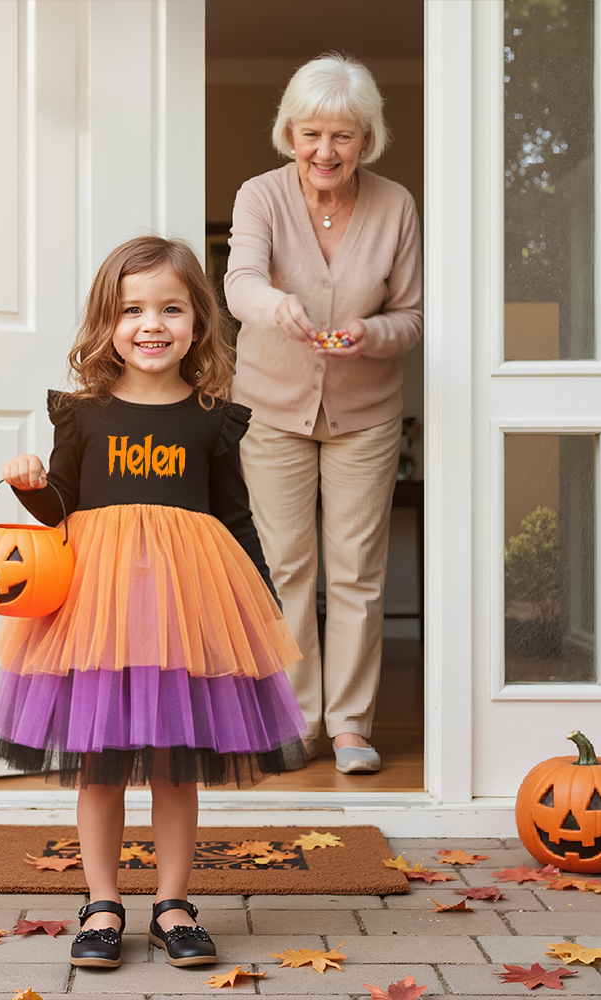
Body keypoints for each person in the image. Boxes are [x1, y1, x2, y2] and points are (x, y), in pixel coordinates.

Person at [0, 236, 306, 971]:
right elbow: (61, 507)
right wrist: (33, 486)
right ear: (108, 322)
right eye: (131, 310)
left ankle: (173, 904)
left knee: (175, 766)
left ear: (198, 323)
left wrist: (261, 599)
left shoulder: (212, 417)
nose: (150, 324)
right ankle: (102, 904)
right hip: (96, 616)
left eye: (170, 309)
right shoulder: (83, 414)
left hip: (186, 615)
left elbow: (234, 516)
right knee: (97, 766)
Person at [224, 53, 422, 775]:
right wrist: (277, 307)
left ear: (366, 137)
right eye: (310, 134)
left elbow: (412, 316)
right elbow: (240, 280)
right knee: (286, 568)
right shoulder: (260, 196)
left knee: (357, 571)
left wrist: (373, 333)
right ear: (289, 133)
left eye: (341, 135)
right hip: (271, 410)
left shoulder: (396, 205)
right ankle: (296, 721)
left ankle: (351, 726)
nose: (325, 151)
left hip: (365, 414)